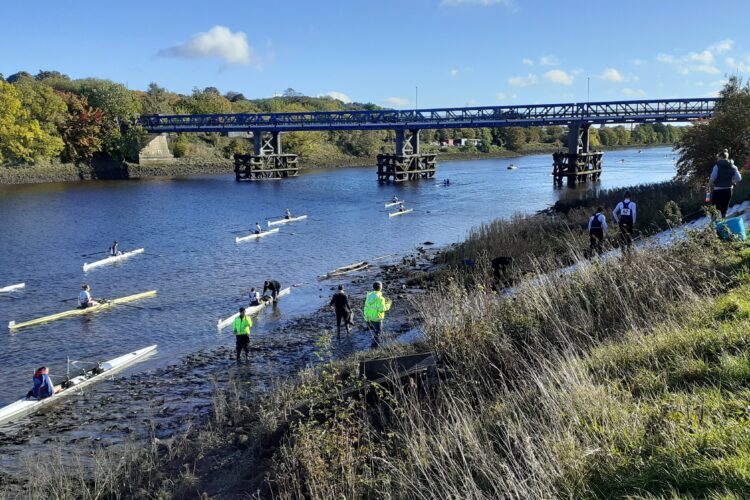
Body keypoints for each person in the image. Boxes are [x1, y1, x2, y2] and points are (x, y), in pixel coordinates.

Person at [709, 149, 742, 218]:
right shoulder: (733, 166)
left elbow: (712, 178)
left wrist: (709, 185)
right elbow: (739, 178)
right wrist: (732, 181)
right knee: (724, 209)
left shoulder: (717, 166)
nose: (717, 158)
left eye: (718, 157)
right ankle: (724, 223)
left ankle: (714, 225)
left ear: (721, 157)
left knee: (715, 208)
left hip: (718, 190)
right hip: (728, 190)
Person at [363, 281, 392, 348]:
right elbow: (381, 309)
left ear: (373, 287)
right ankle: (375, 348)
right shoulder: (381, 299)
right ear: (381, 288)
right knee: (378, 334)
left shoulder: (368, 296)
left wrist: (366, 319)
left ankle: (374, 346)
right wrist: (388, 304)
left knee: (375, 333)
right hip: (377, 319)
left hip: (370, 318)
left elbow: (366, 308)